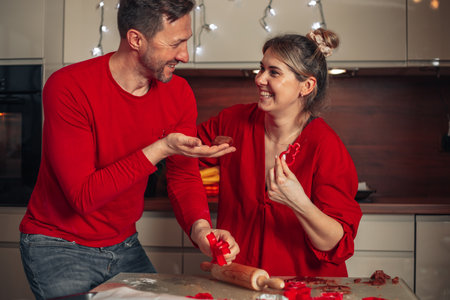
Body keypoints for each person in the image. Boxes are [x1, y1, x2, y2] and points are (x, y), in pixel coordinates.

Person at [19, 1, 238, 299]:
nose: (185, 56)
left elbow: (183, 176)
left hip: (124, 245)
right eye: (176, 43)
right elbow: (84, 197)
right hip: (58, 245)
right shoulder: (69, 87)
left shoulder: (179, 93)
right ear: (136, 39)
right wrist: (160, 148)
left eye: (186, 42)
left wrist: (201, 229)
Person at [174, 29, 362, 277]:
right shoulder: (232, 122)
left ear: (306, 85)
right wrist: (201, 228)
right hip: (241, 280)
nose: (259, 79)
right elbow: (180, 160)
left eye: (273, 72)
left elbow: (333, 243)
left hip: (303, 287)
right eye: (261, 68)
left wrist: (299, 202)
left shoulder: (326, 146)